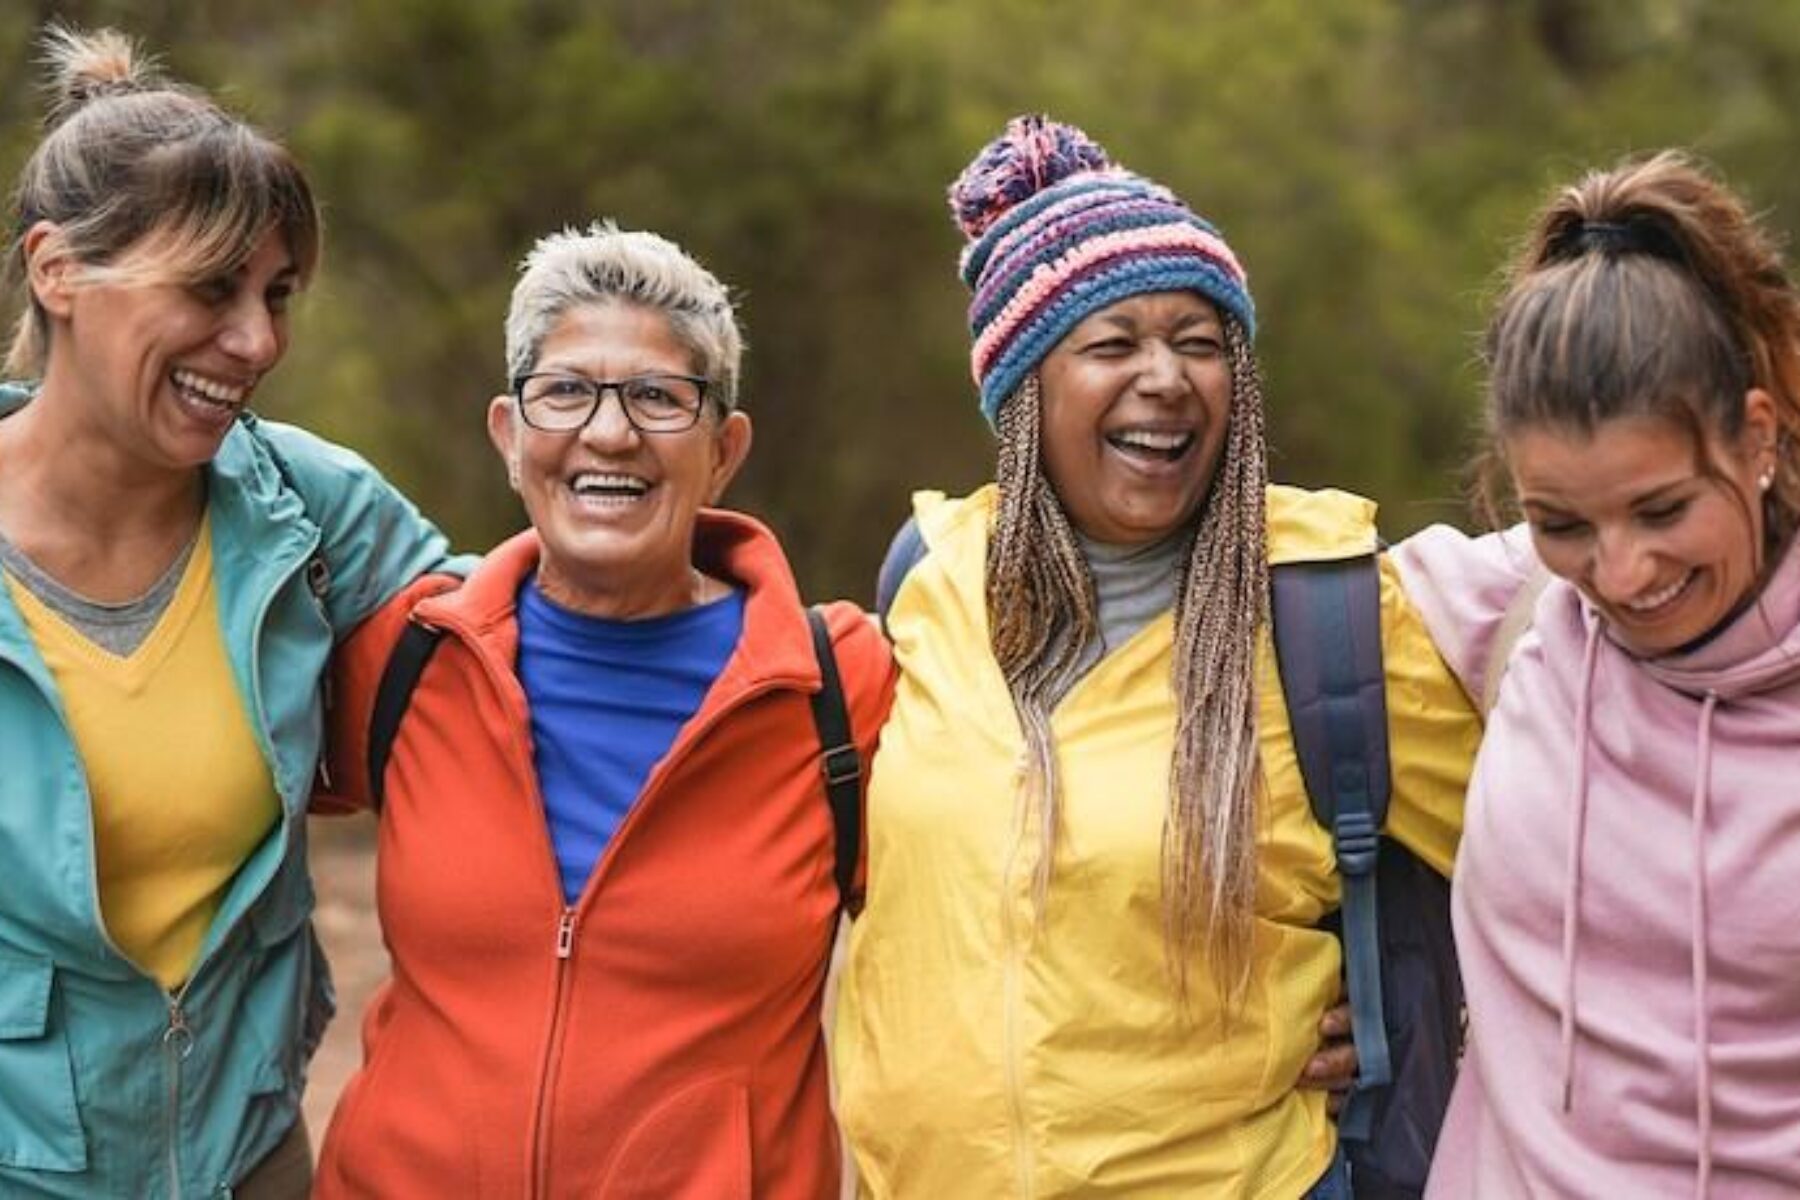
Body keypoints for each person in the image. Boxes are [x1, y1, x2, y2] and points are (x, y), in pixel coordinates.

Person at [830, 115, 1482, 1197]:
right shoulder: (928, 581)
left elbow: (1559, 865)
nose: (1167, 377)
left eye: (1200, 340)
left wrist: (1408, 1006)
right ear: (1024, 393)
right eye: (1113, 342)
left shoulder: (1332, 609)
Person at [308, 222, 894, 1197]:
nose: (609, 432)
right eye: (567, 391)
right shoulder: (410, 657)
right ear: (509, 433)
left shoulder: (843, 690)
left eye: (661, 398)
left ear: (724, 450)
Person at [0, 25, 451, 1200]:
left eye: (277, 294)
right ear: (58, 271)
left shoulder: (307, 505)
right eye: (210, 288)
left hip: (253, 1163)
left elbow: (531, 647)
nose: (255, 341)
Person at [1393, 152, 1800, 1196]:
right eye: (1561, 522)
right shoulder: (1516, 614)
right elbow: (1206, 591)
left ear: (1756, 435)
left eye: (1663, 510)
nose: (1619, 575)